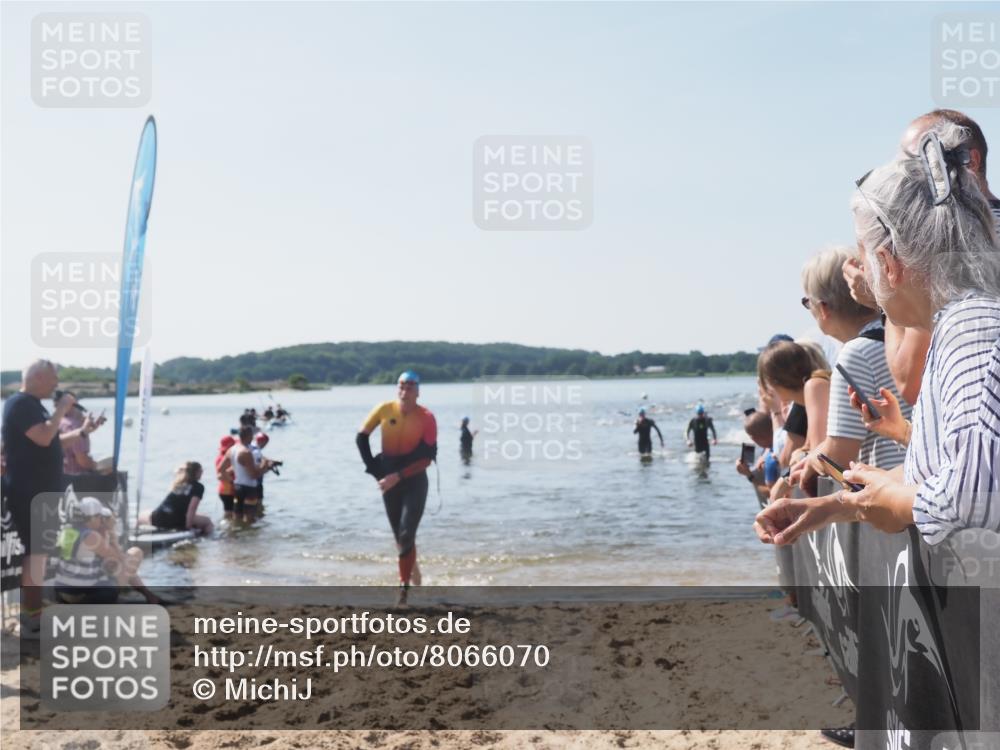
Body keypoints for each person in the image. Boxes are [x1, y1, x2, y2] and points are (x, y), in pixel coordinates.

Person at [755, 122, 1000, 546]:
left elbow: (978, 495)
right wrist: (827, 508)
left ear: (888, 263)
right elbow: (945, 469)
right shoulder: (952, 324)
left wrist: (898, 503)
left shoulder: (970, 324)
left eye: (863, 255)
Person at [842, 109, 1000, 407]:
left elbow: (909, 381)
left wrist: (887, 290)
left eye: (920, 159)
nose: (909, 173)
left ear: (973, 161)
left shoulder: (950, 254)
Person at [791, 246, 910, 495]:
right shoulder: (905, 334)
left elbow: (840, 453)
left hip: (893, 498)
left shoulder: (857, 353)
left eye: (807, 303)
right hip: (919, 485)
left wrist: (812, 460)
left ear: (823, 308)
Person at [0, 360, 90, 638]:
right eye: (53, 378)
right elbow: (42, 437)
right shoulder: (21, 403)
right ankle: (32, 616)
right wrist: (63, 408)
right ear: (37, 377)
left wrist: (83, 432)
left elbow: (51, 441)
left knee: (39, 553)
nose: (56, 384)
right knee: (36, 554)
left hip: (40, 491)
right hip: (29, 491)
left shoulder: (32, 406)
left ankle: (32, 612)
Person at [356, 370, 437, 606]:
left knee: (406, 532)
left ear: (418, 391)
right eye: (401, 385)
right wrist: (375, 469)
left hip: (414, 479)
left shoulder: (426, 417)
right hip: (389, 478)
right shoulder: (384, 409)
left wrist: (397, 476)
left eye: (411, 385)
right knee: (400, 539)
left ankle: (403, 590)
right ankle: (414, 570)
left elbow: (427, 459)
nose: (405, 389)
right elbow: (361, 437)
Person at [54, 496, 160, 605]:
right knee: (134, 555)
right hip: (80, 596)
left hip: (63, 592)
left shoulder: (68, 530)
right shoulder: (91, 536)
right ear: (92, 518)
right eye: (100, 517)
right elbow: (119, 558)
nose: (102, 520)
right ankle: (148, 595)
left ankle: (149, 595)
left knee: (117, 566)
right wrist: (111, 532)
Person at [218, 426, 275, 524]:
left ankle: (237, 536)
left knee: (237, 517)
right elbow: (253, 475)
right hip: (249, 488)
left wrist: (231, 480)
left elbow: (221, 469)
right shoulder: (246, 452)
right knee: (250, 520)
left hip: (237, 487)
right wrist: (265, 466)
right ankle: (248, 538)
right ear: (249, 436)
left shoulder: (231, 449)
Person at [140, 461, 213, 535]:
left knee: (142, 515)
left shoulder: (179, 483)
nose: (202, 472)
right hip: (176, 520)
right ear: (197, 472)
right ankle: (206, 540)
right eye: (201, 470)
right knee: (208, 522)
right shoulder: (198, 487)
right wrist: (188, 528)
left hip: (158, 518)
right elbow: (192, 509)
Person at [215, 435, 237, 520]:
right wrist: (232, 481)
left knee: (231, 514)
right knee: (229, 514)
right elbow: (220, 476)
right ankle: (228, 531)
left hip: (226, 490)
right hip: (227, 491)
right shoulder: (222, 458)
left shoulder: (225, 457)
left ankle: (229, 530)